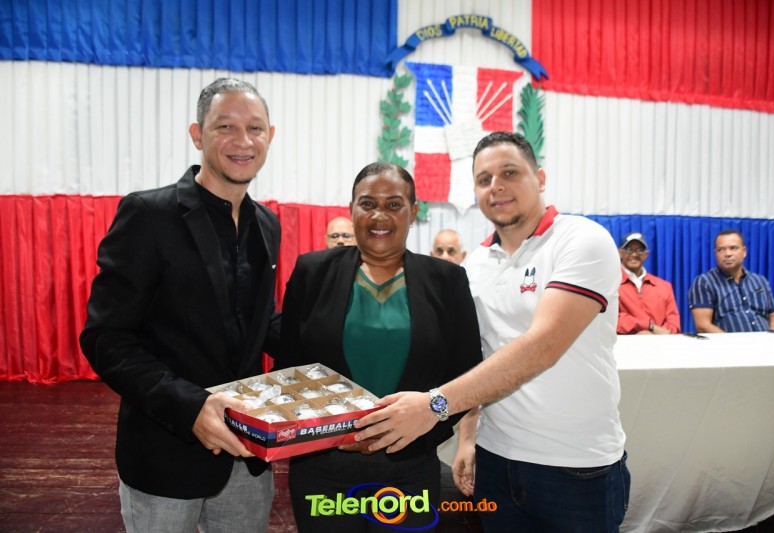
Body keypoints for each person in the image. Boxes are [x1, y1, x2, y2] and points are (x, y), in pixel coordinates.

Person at [356, 132, 630, 531]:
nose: (496, 186)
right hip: (496, 460)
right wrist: (468, 438)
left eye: (509, 173)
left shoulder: (581, 240)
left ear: (540, 178)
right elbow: (477, 357)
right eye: (484, 179)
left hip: (576, 466)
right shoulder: (475, 265)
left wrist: (433, 405)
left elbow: (542, 346)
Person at [80, 78, 280, 532]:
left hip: (248, 457)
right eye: (225, 127)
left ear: (270, 136)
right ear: (197, 135)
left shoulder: (267, 224)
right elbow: (106, 338)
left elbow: (256, 323)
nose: (243, 140)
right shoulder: (148, 215)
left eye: (255, 128)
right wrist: (190, 408)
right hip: (164, 454)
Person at [279, 162, 483, 532]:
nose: (379, 216)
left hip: (408, 470)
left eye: (393, 204)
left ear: (413, 211)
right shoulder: (312, 272)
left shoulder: (447, 280)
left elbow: (467, 372)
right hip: (323, 469)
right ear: (352, 208)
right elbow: (290, 368)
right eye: (368, 203)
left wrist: (425, 426)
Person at [688, 229, 774, 332]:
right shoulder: (705, 282)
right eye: (721, 250)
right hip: (726, 341)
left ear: (744, 252)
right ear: (715, 254)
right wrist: (733, 342)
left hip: (766, 340)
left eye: (733, 248)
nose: (727, 254)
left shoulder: (760, 281)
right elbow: (703, 325)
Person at [617, 232, 681, 334]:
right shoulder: (611, 285)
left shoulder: (664, 286)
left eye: (640, 250)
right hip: (623, 343)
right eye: (629, 249)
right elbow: (608, 320)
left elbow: (674, 324)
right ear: (620, 252)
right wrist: (649, 326)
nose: (634, 254)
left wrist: (655, 336)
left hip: (661, 342)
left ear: (646, 254)